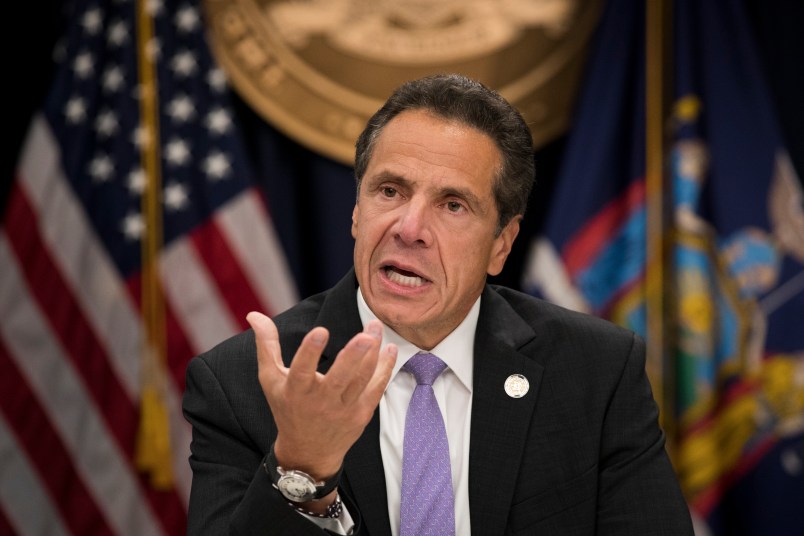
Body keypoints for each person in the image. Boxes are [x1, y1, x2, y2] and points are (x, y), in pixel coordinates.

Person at [182, 73, 694, 535]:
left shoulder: (596, 370)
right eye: (390, 191)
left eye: (453, 205)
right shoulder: (239, 383)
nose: (409, 229)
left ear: (501, 244)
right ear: (357, 212)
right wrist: (304, 465)